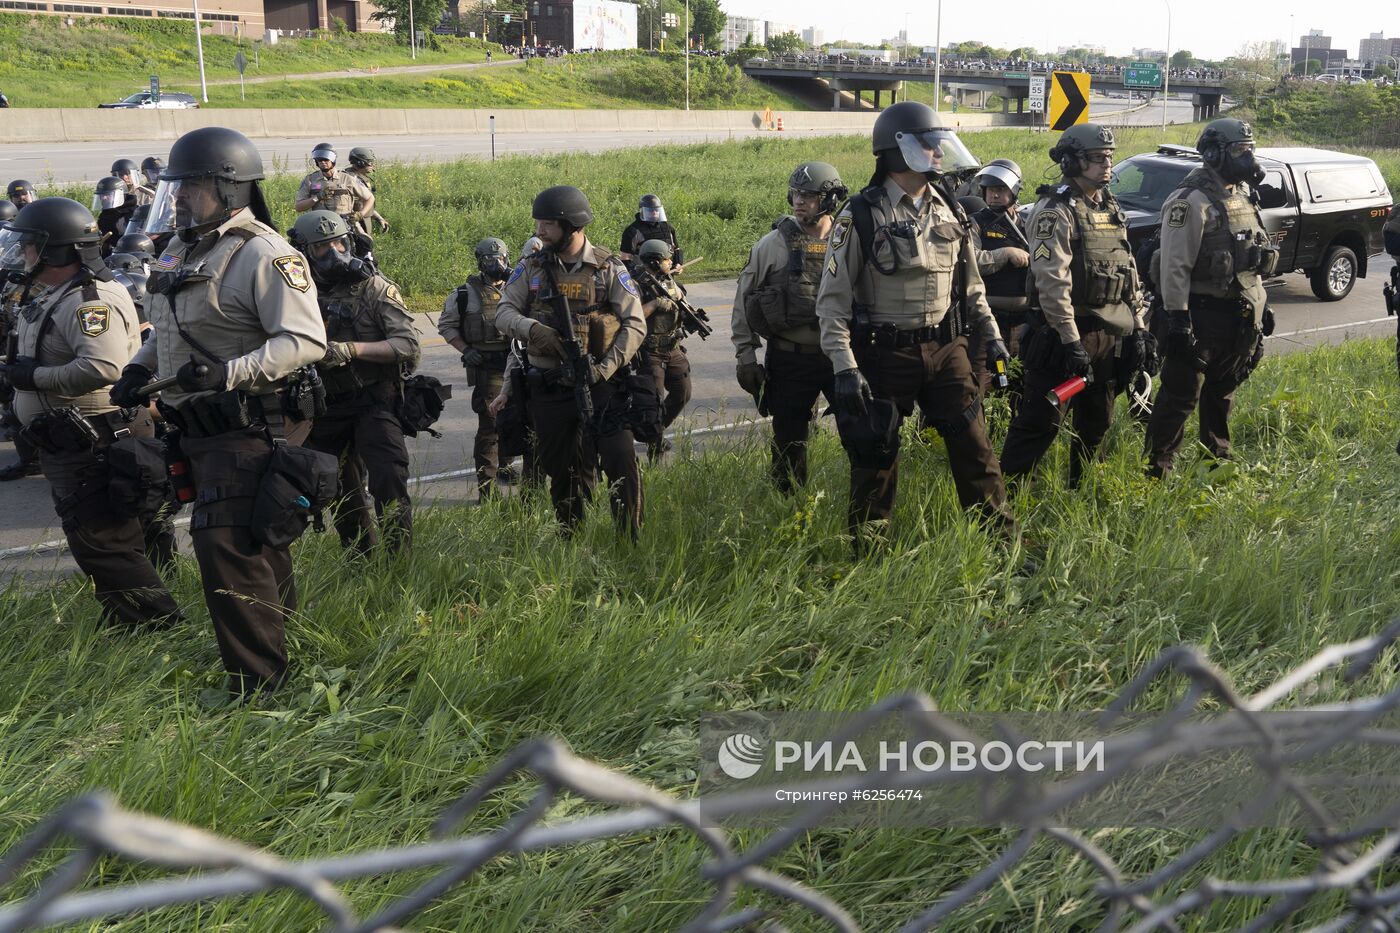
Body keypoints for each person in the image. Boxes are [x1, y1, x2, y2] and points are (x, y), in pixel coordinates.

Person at [110, 126, 329, 700]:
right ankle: (288, 645)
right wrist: (139, 366)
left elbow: (305, 341)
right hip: (195, 430)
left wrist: (230, 373)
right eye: (176, 187)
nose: (179, 197)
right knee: (256, 543)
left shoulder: (264, 252)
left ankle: (259, 690)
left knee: (224, 547)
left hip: (248, 423)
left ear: (231, 190)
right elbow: (173, 329)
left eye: (194, 188)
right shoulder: (181, 248)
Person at [814, 101, 1013, 545]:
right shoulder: (859, 216)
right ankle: (868, 552)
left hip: (947, 351)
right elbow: (831, 303)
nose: (939, 152)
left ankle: (1003, 547)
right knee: (875, 458)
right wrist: (845, 367)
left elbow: (972, 288)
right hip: (884, 354)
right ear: (898, 151)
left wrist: (992, 338)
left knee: (976, 450)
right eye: (929, 144)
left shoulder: (951, 209)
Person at [0, 197, 180, 626]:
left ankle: (156, 625)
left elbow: (103, 367)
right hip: (68, 434)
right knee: (99, 536)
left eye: (30, 245)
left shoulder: (89, 300)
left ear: (56, 250)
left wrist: (35, 378)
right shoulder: (54, 293)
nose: (22, 253)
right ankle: (126, 616)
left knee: (102, 539)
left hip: (92, 434)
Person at [999, 123, 1154, 488]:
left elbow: (1128, 271)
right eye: (1097, 159)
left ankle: (1082, 492)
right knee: (1041, 420)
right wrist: (1070, 342)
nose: (1106, 165)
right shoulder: (1054, 212)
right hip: (1063, 337)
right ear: (1071, 161)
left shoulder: (1109, 207)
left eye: (1109, 158)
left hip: (1107, 335)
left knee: (1097, 421)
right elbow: (1052, 284)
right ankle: (1013, 496)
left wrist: (1141, 329)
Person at [494, 185, 647, 539]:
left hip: (603, 383)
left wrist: (604, 367)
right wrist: (533, 329)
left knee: (621, 459)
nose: (539, 232)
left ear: (572, 225)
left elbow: (635, 323)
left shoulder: (608, 268)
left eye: (547, 224)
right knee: (562, 472)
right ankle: (571, 539)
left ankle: (630, 539)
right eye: (538, 224)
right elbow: (503, 312)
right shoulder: (531, 266)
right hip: (549, 386)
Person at [1145, 118, 1277, 477]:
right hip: (1200, 317)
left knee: (1222, 392)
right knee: (1180, 398)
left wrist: (1262, 305)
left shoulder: (1242, 196)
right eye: (1239, 150)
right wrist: (1177, 320)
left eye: (1250, 149)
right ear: (1215, 154)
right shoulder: (1190, 202)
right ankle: (1158, 470)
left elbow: (1254, 258)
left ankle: (1216, 462)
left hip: (1237, 317)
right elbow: (1175, 266)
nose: (1247, 158)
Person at [291, 210, 419, 555]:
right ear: (304, 252)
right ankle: (359, 559)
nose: (334, 253)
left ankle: (399, 560)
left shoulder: (374, 287)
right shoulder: (296, 295)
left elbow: (407, 345)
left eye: (339, 243)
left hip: (374, 400)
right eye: (322, 248)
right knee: (336, 488)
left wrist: (353, 349)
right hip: (325, 406)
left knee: (389, 477)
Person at [732, 161, 846, 492]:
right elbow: (744, 298)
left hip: (840, 357)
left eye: (808, 196)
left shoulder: (847, 241)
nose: (799, 202)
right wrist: (745, 355)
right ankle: (788, 510)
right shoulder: (772, 244)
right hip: (789, 358)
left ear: (829, 200)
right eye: (795, 194)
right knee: (789, 445)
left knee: (862, 431)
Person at [440, 237, 520, 499]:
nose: (496, 264)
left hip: (516, 361)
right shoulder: (464, 294)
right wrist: (466, 350)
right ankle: (487, 487)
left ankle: (506, 466)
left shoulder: (517, 287)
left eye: (500, 258)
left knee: (519, 418)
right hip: (487, 367)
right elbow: (447, 326)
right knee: (490, 424)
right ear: (480, 262)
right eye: (489, 259)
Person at [966, 159, 1030, 399]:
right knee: (976, 386)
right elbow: (971, 261)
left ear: (1013, 191)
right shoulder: (975, 223)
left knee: (1020, 389)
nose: (994, 195)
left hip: (1024, 322)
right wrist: (1005, 254)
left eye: (1001, 190)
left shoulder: (1028, 223)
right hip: (987, 320)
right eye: (990, 190)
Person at [629, 238, 692, 460]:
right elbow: (632, 315)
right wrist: (656, 304)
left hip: (673, 348)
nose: (671, 261)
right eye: (667, 258)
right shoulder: (635, 285)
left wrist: (681, 301)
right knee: (653, 403)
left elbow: (682, 309)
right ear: (656, 262)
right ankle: (655, 447)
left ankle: (655, 430)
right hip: (650, 352)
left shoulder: (669, 281)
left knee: (683, 393)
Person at [294, 143, 373, 230]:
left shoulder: (348, 178)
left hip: (346, 224)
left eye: (326, 159)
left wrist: (360, 214)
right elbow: (299, 207)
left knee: (365, 241)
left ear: (333, 159)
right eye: (319, 160)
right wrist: (317, 197)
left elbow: (370, 198)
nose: (323, 162)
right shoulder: (310, 180)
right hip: (320, 225)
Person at [619, 194, 684, 267]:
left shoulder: (668, 228)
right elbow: (625, 258)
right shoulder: (632, 231)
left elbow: (676, 249)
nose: (654, 213)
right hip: (643, 275)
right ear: (642, 211)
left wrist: (678, 264)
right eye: (651, 211)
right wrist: (636, 272)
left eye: (657, 210)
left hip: (667, 273)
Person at [345, 147, 390, 234]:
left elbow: (364, 204)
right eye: (369, 162)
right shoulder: (349, 179)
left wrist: (379, 218)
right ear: (360, 163)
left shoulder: (361, 178)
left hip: (363, 218)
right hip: (354, 222)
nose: (372, 165)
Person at [92, 176, 134, 251]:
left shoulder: (131, 214)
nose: (103, 198)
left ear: (121, 195)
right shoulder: (106, 214)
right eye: (101, 195)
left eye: (108, 195)